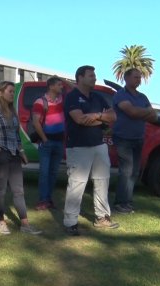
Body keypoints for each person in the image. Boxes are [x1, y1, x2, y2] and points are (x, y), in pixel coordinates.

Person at [0, 81, 42, 235]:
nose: (12, 94)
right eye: (10, 91)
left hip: (14, 155)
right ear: (0, 93)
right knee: (0, 190)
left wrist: (22, 151)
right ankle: (1, 222)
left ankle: (25, 224)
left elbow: (16, 135)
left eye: (14, 92)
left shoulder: (12, 112)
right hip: (0, 156)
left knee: (19, 190)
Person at [63, 65, 119, 236]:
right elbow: (79, 119)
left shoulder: (97, 97)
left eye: (94, 75)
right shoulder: (72, 97)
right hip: (79, 147)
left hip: (99, 145)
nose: (94, 78)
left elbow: (113, 117)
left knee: (102, 181)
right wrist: (101, 120)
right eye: (91, 75)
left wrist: (96, 116)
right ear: (80, 77)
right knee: (77, 184)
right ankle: (70, 222)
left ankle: (102, 218)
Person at [112, 68, 157, 214]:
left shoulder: (142, 97)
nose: (139, 80)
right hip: (123, 138)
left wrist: (141, 112)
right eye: (136, 77)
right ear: (126, 78)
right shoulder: (121, 95)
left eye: (139, 78)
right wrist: (145, 112)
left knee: (134, 172)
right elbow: (131, 112)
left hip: (138, 138)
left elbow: (153, 116)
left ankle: (127, 201)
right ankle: (120, 203)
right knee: (126, 171)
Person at [32, 76, 65, 210]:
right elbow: (35, 122)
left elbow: (75, 90)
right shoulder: (40, 102)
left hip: (59, 142)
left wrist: (63, 80)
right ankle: (43, 200)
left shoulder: (62, 99)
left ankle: (48, 199)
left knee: (53, 173)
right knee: (44, 173)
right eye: (59, 84)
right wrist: (44, 139)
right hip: (47, 142)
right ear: (51, 86)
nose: (61, 87)